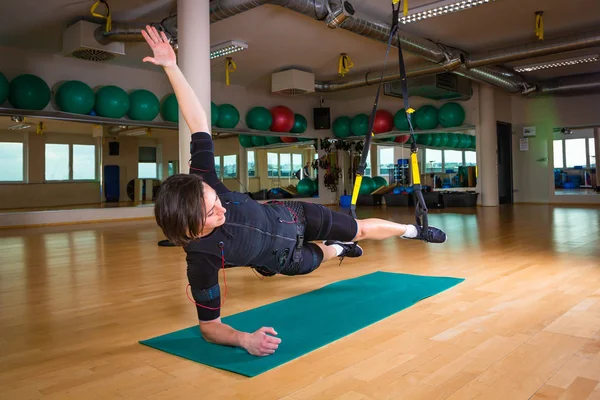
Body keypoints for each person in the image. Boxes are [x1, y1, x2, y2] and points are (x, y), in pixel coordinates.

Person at [142, 26, 447, 357]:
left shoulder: (202, 181)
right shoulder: (200, 262)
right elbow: (210, 328)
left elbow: (197, 120)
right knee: (323, 255)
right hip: (285, 258)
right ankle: (340, 250)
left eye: (216, 201)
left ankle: (413, 230)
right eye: (211, 213)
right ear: (188, 231)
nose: (222, 210)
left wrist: (172, 66)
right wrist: (244, 339)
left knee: (357, 229)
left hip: (295, 215)